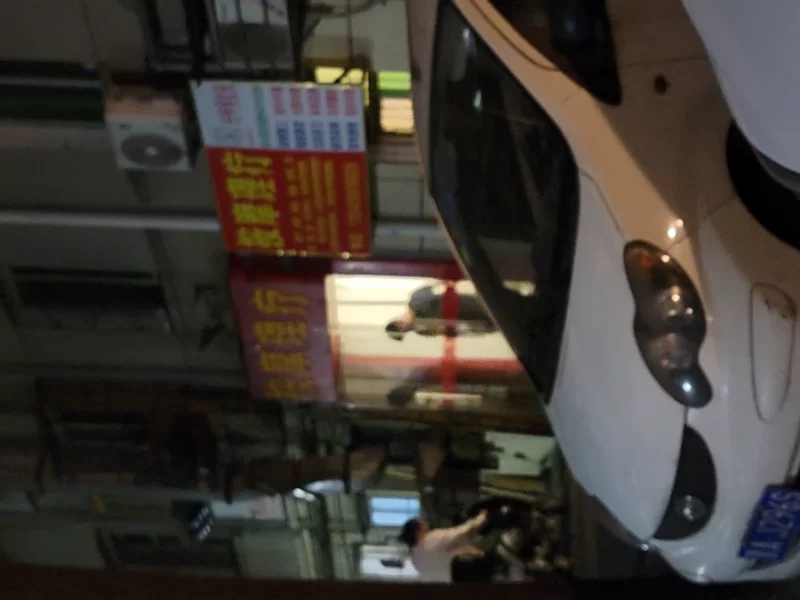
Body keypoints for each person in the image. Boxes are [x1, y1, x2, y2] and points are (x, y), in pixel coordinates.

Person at [399, 511, 489, 582]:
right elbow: (461, 531)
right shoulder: (430, 538)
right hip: (463, 577)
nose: (427, 524)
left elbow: (442, 557)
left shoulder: (415, 559)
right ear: (417, 532)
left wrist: (468, 551)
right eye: (423, 524)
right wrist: (481, 517)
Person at [385, 283, 496, 341]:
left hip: (476, 303)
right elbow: (451, 331)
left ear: (399, 322)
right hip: (479, 318)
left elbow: (446, 285)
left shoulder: (417, 300)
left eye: (405, 329)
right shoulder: (422, 327)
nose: (410, 329)